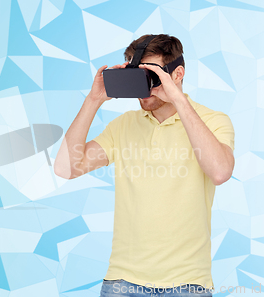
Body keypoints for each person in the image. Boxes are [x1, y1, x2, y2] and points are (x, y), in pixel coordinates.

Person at [54, 34, 235, 297]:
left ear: (177, 74)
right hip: (123, 282)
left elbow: (220, 172)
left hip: (188, 283)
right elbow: (65, 169)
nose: (145, 87)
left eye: (152, 76)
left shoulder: (213, 121)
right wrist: (93, 100)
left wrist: (177, 99)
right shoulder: (124, 125)